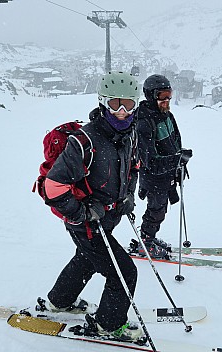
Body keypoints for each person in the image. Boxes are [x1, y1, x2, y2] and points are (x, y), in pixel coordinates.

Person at [42, 71, 144, 343]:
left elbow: (132, 168)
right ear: (102, 102)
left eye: (128, 104)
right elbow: (53, 187)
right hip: (85, 223)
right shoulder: (84, 141)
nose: (122, 112)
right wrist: (83, 213)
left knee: (86, 259)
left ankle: (59, 301)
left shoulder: (130, 135)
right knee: (123, 272)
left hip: (107, 217)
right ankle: (108, 326)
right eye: (114, 104)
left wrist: (127, 196)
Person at [135, 74, 193, 259]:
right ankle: (146, 242)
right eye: (162, 95)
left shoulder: (167, 115)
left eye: (169, 94)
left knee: (160, 209)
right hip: (154, 177)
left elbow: (175, 140)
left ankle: (149, 238)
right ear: (151, 96)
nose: (167, 100)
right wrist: (177, 160)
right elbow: (151, 162)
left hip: (167, 174)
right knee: (156, 210)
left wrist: (179, 157)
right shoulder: (144, 123)